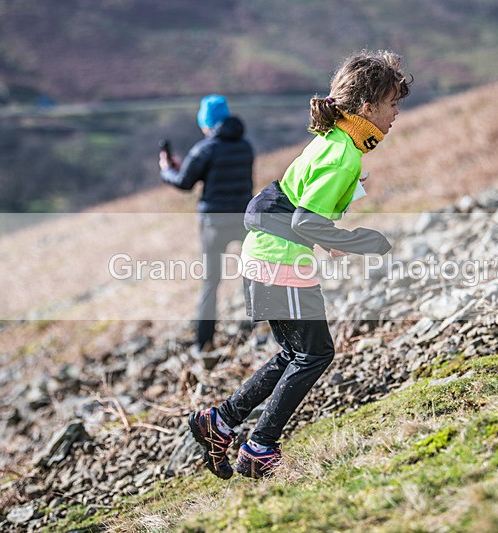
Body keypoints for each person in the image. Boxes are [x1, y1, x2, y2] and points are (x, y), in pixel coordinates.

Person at [187, 50, 411, 479]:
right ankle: (260, 446)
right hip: (281, 262)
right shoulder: (344, 152)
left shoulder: (334, 141)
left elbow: (306, 208)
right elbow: (306, 221)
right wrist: (357, 241)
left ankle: (218, 423)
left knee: (295, 352)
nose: (396, 114)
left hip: (263, 257)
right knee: (315, 353)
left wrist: (334, 231)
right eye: (392, 104)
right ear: (367, 109)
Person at [159, 95, 254, 353]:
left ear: (207, 123)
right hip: (244, 218)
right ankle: (262, 326)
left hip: (214, 223)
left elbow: (184, 182)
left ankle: (204, 343)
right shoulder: (245, 146)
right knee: (254, 272)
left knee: (211, 282)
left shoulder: (205, 149)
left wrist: (167, 169)